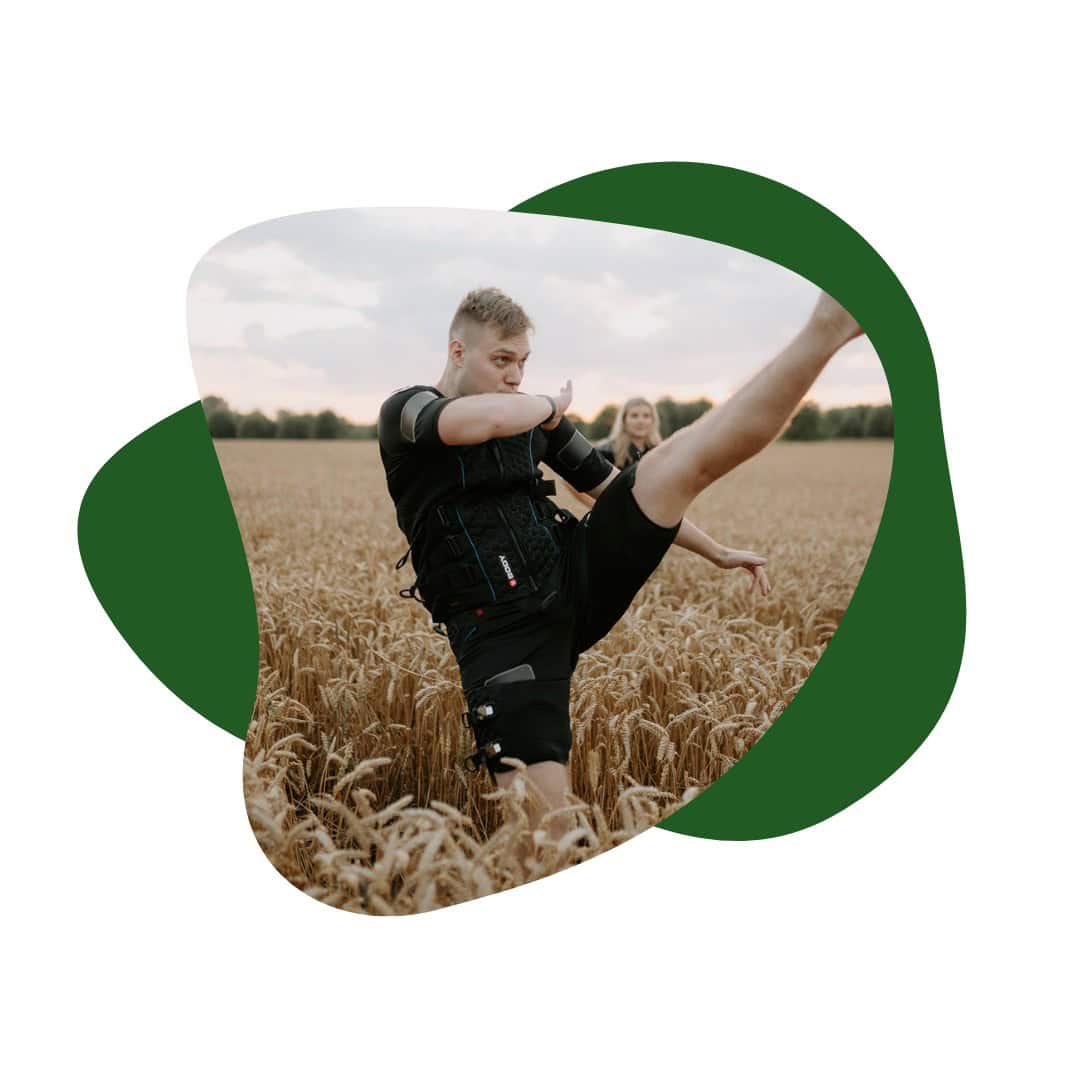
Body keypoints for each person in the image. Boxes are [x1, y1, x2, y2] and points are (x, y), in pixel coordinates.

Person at [378, 286, 862, 841]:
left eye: (522, 363)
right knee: (546, 837)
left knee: (674, 460)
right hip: (505, 638)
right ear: (457, 351)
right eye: (501, 361)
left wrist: (716, 551)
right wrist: (547, 407)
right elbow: (476, 422)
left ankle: (827, 326)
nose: (514, 376)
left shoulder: (534, 418)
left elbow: (609, 488)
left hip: (576, 574)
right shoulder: (407, 412)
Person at [594, 397, 662, 468]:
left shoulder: (659, 451)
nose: (641, 421)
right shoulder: (606, 451)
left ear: (653, 420)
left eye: (646, 416)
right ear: (624, 420)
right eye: (634, 416)